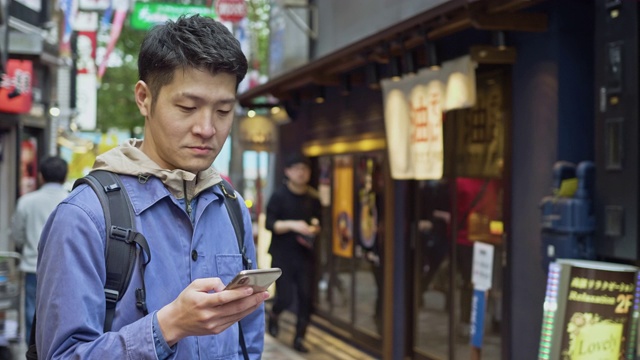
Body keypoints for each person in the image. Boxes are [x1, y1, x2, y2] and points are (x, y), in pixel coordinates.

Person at [34, 15, 268, 359]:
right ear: (144, 98)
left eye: (223, 110)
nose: (207, 128)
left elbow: (249, 338)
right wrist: (168, 326)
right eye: (187, 107)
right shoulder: (85, 216)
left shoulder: (230, 206)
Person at [265, 152, 322, 353]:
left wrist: (313, 227)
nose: (301, 173)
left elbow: (319, 221)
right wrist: (293, 225)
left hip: (305, 255)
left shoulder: (313, 197)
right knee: (285, 297)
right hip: (283, 254)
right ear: (287, 172)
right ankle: (274, 315)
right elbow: (269, 224)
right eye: (297, 169)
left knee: (306, 298)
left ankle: (299, 338)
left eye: (305, 169)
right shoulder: (279, 196)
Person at [10, 156, 68, 341]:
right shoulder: (73, 199)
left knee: (31, 314)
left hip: (32, 267)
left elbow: (17, 234)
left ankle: (32, 352)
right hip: (65, 268)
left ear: (41, 176)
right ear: (65, 177)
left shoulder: (27, 201)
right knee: (64, 313)